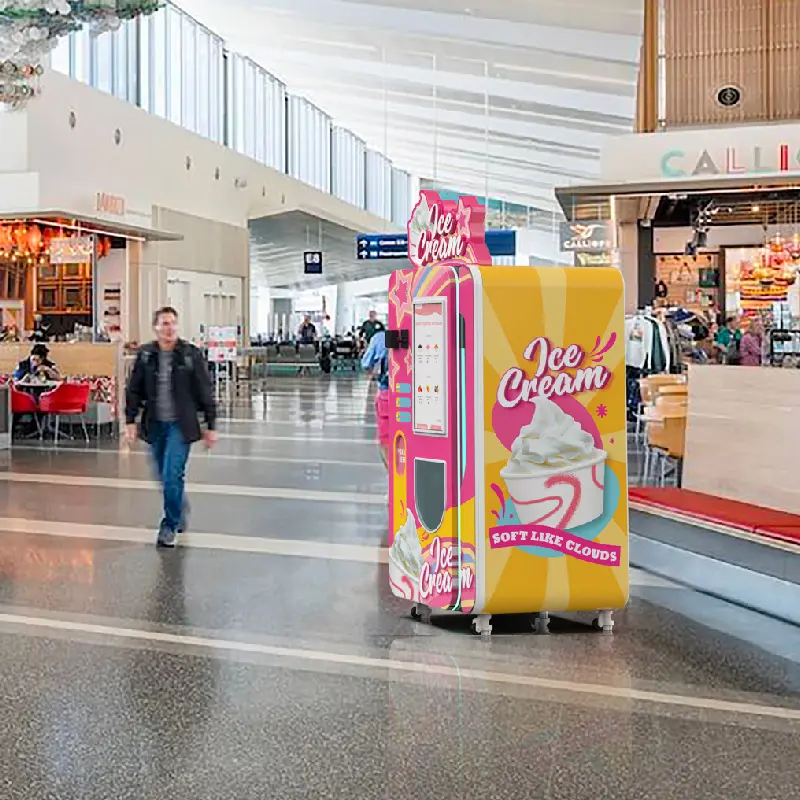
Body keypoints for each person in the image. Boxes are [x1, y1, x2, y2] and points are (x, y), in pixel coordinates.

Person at [125, 306, 217, 548]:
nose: (169, 328)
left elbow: (205, 390)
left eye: (173, 323)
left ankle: (169, 525)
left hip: (180, 426)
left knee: (171, 473)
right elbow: (133, 390)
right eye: (164, 323)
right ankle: (179, 507)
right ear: (155, 328)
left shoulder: (190, 354)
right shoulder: (146, 355)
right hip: (155, 425)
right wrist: (130, 421)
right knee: (162, 476)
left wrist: (211, 424)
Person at [362, 330, 390, 467]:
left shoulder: (380, 337)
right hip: (418, 396)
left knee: (386, 441)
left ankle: (395, 474)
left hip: (387, 395)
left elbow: (366, 364)